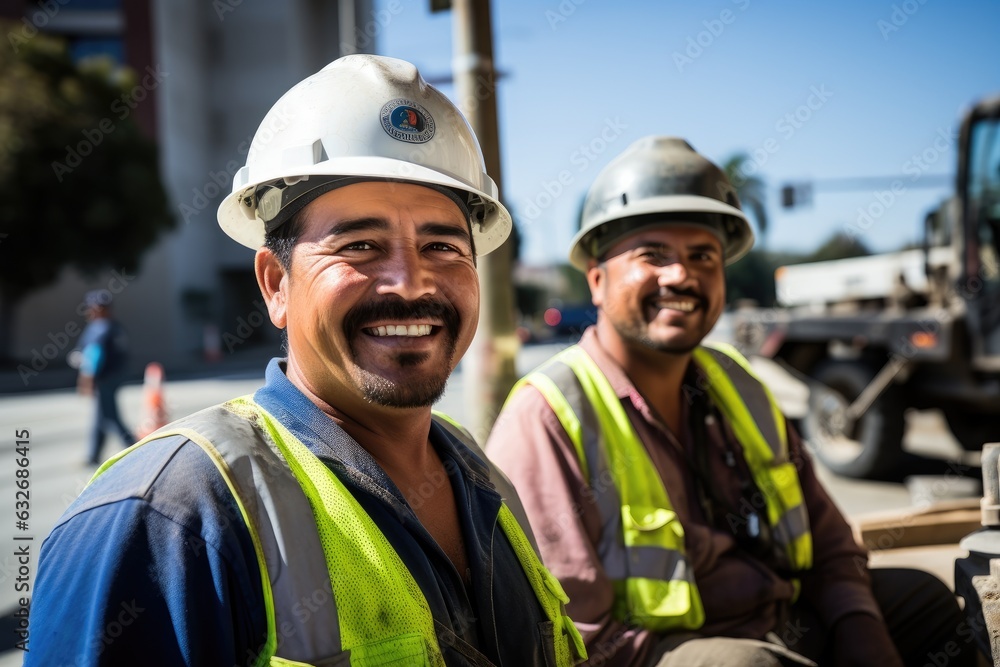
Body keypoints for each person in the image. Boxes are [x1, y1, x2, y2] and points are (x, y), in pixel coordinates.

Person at [27, 55, 585, 667]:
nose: (409, 282)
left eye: (442, 246)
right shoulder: (167, 518)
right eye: (360, 246)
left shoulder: (480, 474)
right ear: (275, 285)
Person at [486, 136, 972, 666]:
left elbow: (830, 541)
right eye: (654, 255)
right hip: (651, 656)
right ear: (597, 281)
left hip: (776, 621)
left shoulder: (737, 387)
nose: (682, 275)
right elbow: (571, 638)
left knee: (923, 602)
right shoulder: (551, 416)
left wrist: (860, 628)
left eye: (702, 256)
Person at [75, 288, 134, 465]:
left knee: (110, 417)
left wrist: (86, 378)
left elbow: (94, 354)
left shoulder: (100, 327)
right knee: (101, 416)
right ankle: (93, 455)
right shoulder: (115, 326)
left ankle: (134, 447)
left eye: (92, 307)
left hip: (104, 377)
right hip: (115, 376)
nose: (89, 311)